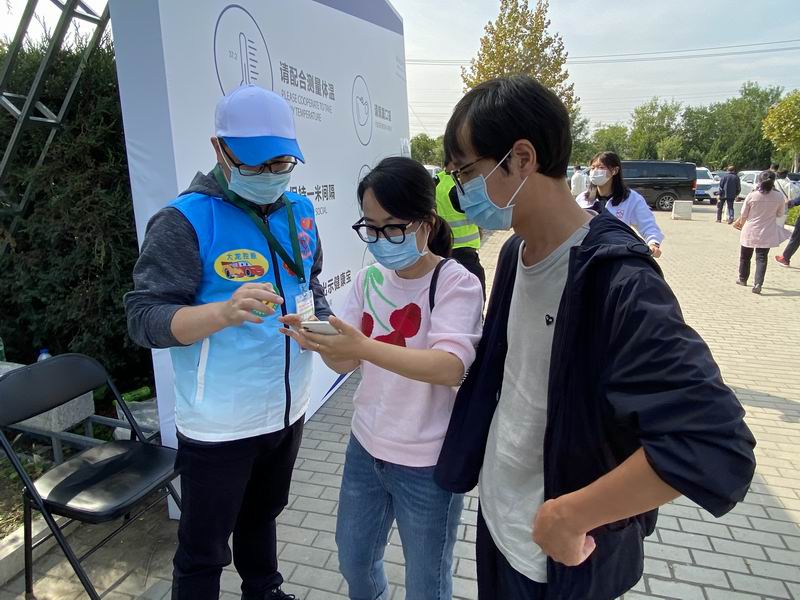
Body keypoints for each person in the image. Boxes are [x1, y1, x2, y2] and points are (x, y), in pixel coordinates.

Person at [434, 75, 756, 600]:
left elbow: (715, 443)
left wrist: (574, 514)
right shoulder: (515, 253)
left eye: (466, 172)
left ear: (521, 158)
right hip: (498, 524)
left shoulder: (616, 278)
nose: (458, 191)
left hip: (561, 562)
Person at [125, 84, 331, 600]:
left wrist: (324, 327)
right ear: (219, 149)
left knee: (264, 514)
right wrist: (220, 312)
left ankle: (264, 590)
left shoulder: (300, 210)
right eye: (255, 163)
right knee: (204, 549)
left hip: (288, 408)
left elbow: (311, 283)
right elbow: (144, 318)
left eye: (280, 162)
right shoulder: (184, 220)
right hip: (220, 423)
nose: (270, 174)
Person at [280, 157, 484, 600]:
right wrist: (315, 339)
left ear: (426, 223)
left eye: (393, 227)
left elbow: (450, 367)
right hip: (366, 447)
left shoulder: (455, 283)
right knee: (354, 559)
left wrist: (362, 347)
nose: (380, 239)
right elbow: (345, 363)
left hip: (428, 462)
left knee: (427, 582)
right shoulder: (368, 279)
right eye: (370, 228)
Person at [576, 151, 665, 257]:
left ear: (615, 170)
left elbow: (648, 224)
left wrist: (653, 243)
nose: (595, 171)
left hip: (616, 253)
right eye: (593, 167)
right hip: (587, 253)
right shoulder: (583, 199)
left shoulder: (631, 199)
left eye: (601, 167)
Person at [735, 170, 791, 293]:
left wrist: (740, 223)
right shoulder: (779, 196)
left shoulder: (752, 195)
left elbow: (744, 214)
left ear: (759, 180)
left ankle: (743, 279)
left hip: (750, 230)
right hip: (767, 231)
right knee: (761, 258)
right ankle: (758, 283)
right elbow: (780, 214)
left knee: (745, 257)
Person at [434, 169, 487, 293]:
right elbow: (481, 213)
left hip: (442, 250)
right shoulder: (457, 187)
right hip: (464, 253)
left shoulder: (437, 181)